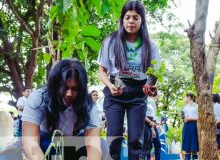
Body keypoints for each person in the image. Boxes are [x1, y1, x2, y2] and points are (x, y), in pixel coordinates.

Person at [97, 1, 161, 159]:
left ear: (142, 21)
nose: (131, 21)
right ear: (122, 20)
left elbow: (154, 74)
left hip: (138, 94)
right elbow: (102, 71)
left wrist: (149, 85)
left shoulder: (150, 46)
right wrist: (110, 85)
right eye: (127, 17)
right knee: (114, 138)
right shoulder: (110, 42)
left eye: (136, 18)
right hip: (115, 91)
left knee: (135, 140)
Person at [21, 59, 102, 160]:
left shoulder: (89, 105)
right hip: (46, 142)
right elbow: (30, 140)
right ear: (54, 85)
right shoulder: (38, 98)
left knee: (102, 145)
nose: (69, 94)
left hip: (72, 142)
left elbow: (93, 143)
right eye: (64, 87)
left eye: (75, 89)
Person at [181, 93, 199, 160]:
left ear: (189, 97)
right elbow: (183, 117)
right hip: (186, 127)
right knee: (187, 148)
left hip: (194, 126)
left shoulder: (196, 106)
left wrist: (191, 118)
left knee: (194, 147)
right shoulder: (184, 107)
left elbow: (200, 118)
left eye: (185, 97)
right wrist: (184, 119)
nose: (184, 98)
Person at [143, 94, 161, 160]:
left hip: (152, 123)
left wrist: (156, 122)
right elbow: (143, 115)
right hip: (147, 123)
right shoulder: (144, 100)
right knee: (148, 145)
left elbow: (153, 115)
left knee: (157, 144)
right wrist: (152, 127)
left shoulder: (151, 102)